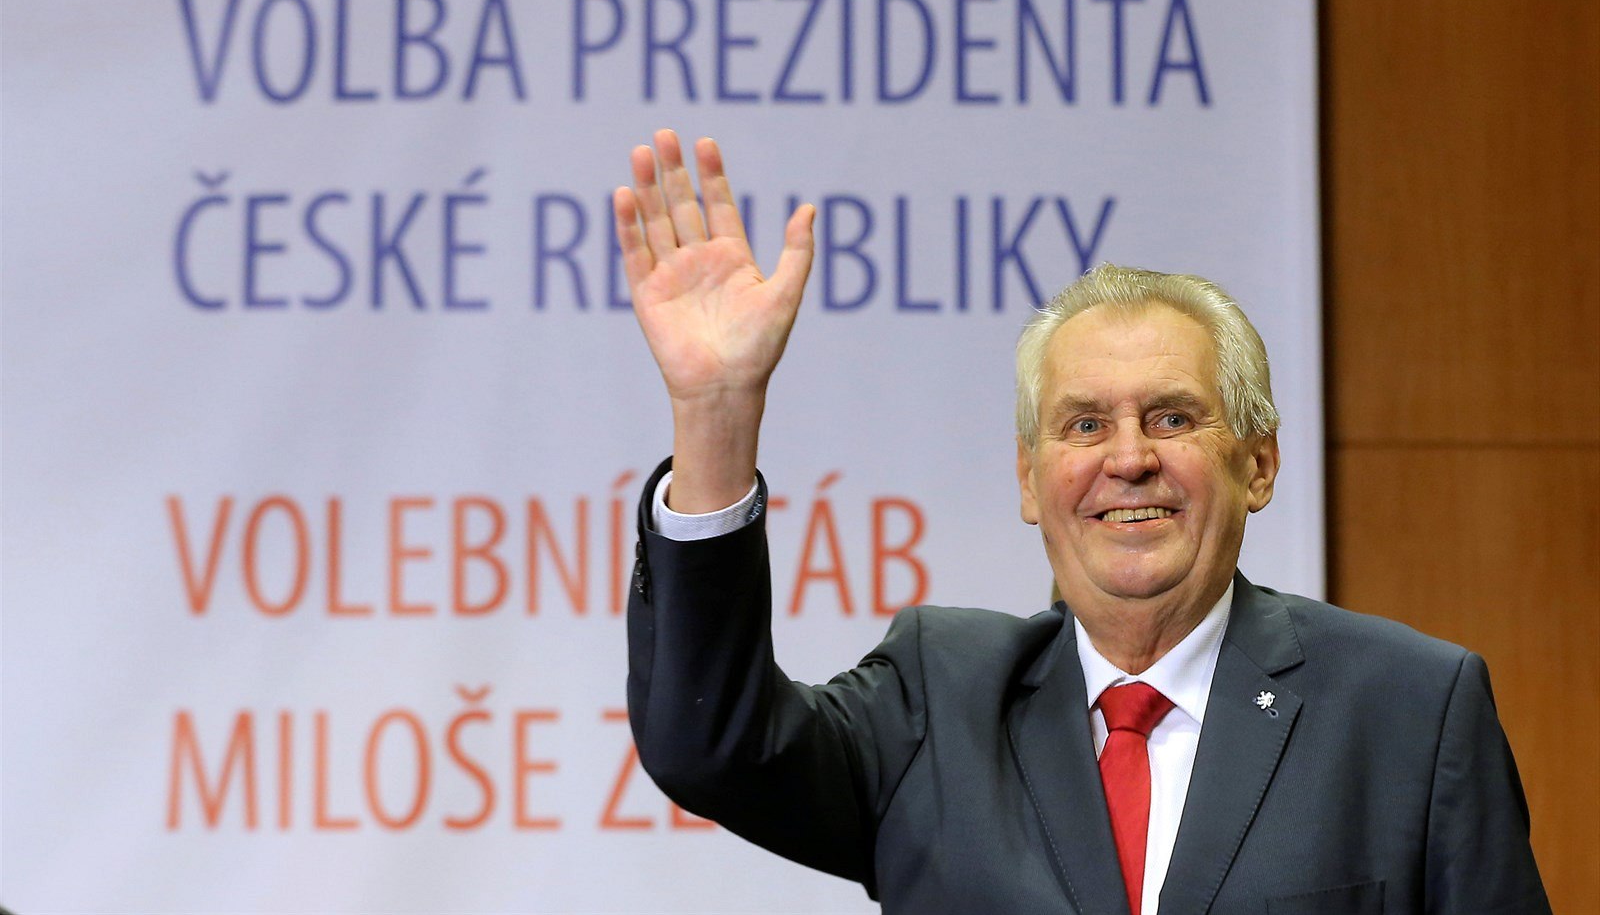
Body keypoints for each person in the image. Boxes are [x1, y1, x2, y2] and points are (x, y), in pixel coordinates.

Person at [614, 129, 1550, 915]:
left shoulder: (1410, 711)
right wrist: (716, 414)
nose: (1128, 458)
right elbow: (711, 746)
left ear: (1258, 464)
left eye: (1173, 418)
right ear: (1031, 480)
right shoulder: (939, 702)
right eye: (1085, 425)